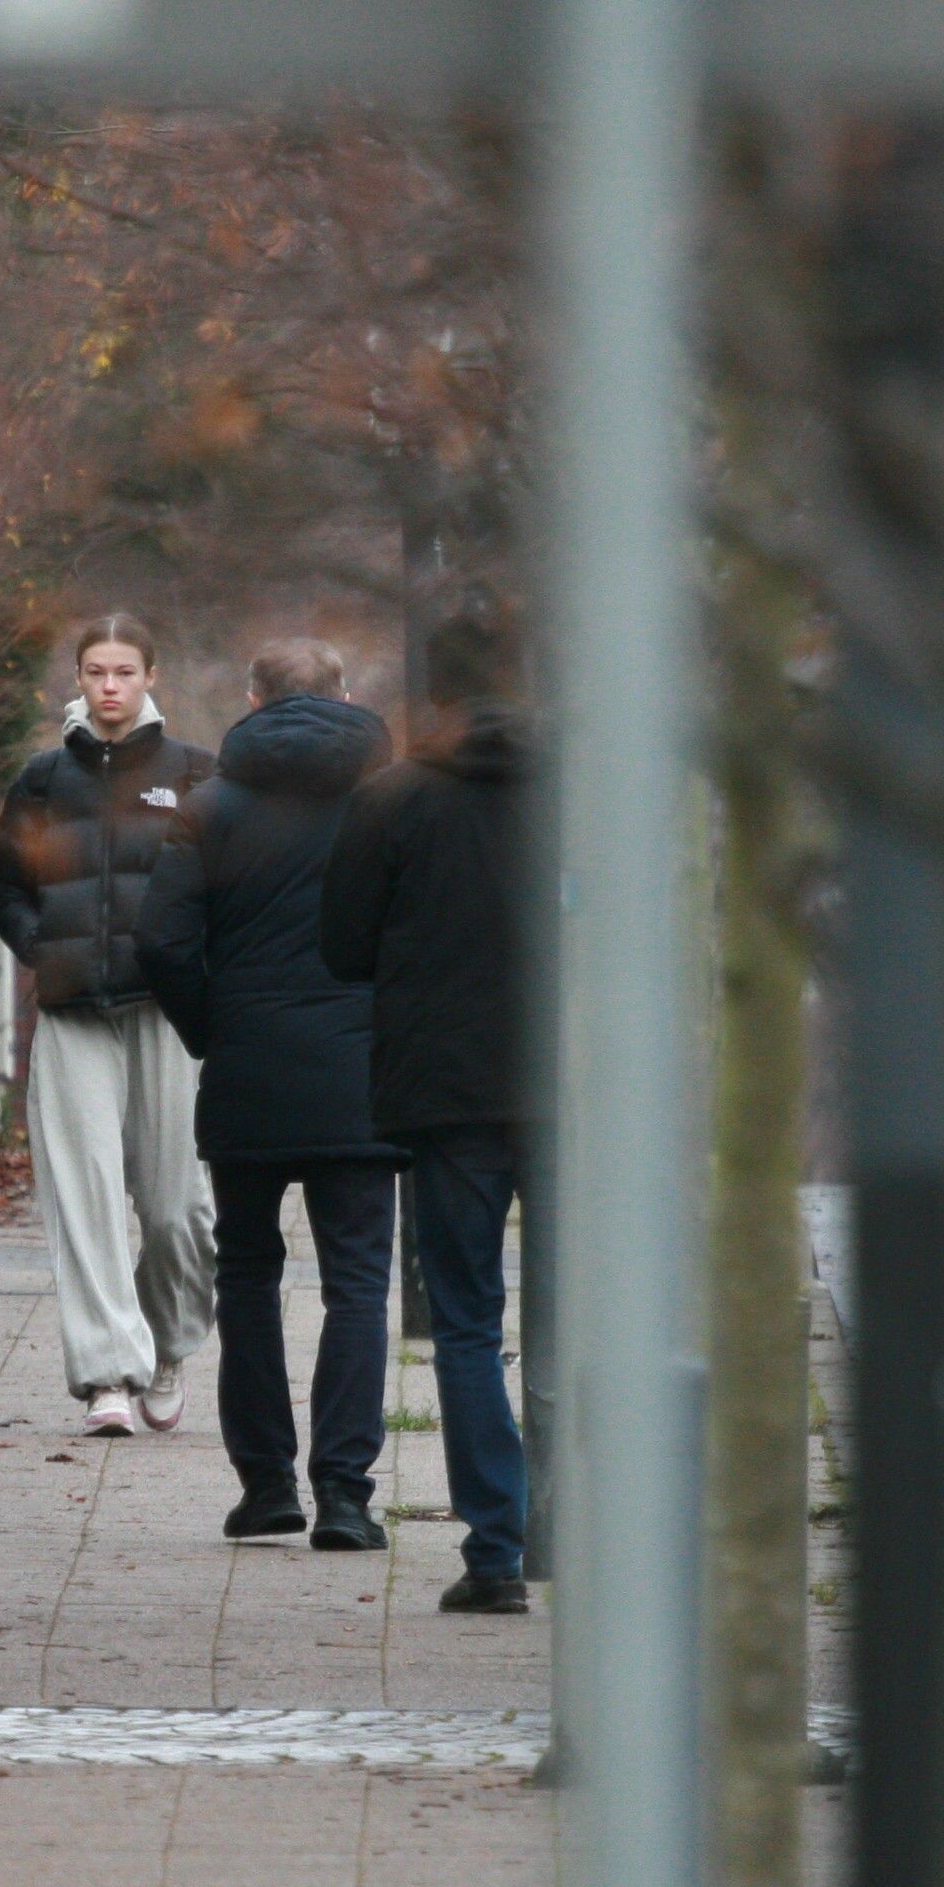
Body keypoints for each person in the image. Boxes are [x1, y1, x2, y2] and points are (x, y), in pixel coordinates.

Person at [138, 638, 400, 1550]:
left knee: (246, 1278)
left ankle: (266, 1486)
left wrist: (217, 1031)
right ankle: (346, 1495)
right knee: (359, 1286)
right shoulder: (389, 804)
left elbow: (165, 943)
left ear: (251, 699)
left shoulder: (209, 808)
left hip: (247, 1072)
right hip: (363, 1078)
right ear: (347, 694)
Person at [321, 608, 533, 1614]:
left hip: (450, 1091)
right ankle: (574, 1529)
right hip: (578, 1087)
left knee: (466, 1322)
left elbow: (343, 945)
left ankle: (495, 1549)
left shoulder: (394, 797)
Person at [0, 612, 219, 1437]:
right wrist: (46, 952)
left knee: (175, 1208)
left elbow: (223, 893)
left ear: (150, 676)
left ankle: (168, 1346)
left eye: (125, 671)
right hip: (74, 1015)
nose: (111, 686)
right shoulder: (43, 781)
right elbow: (10, 895)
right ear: (79, 680)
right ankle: (106, 1376)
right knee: (83, 1197)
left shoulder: (198, 775)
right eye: (97, 671)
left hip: (166, 1016)